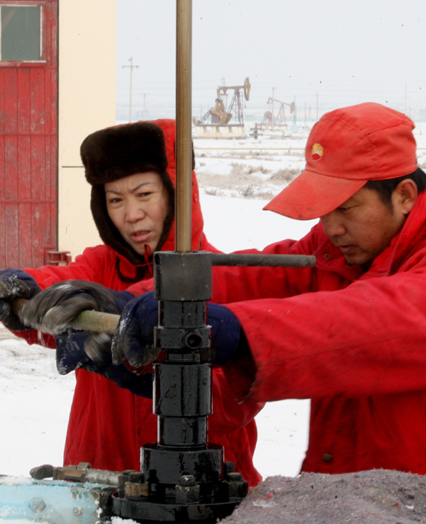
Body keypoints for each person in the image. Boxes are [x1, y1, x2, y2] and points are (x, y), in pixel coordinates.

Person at [36, 101, 426, 477]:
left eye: (347, 208)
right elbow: (248, 278)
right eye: (324, 209)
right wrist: (132, 300)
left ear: (405, 196)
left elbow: (370, 320)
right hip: (351, 492)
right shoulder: (333, 251)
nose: (332, 227)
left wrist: (239, 330)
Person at [0, 119, 263, 487]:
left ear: (177, 193)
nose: (131, 215)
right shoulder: (99, 267)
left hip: (198, 490)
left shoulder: (223, 278)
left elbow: (235, 399)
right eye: (115, 200)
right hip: (97, 475)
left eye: (144, 195)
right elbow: (60, 286)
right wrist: (24, 294)